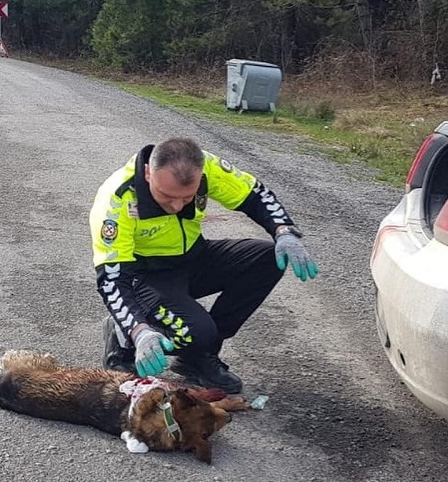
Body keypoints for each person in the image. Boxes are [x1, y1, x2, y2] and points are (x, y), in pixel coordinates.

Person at [88, 137, 319, 393]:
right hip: (146, 276)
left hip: (192, 257)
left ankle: (196, 358)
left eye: (187, 198)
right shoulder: (117, 200)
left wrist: (283, 231)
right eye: (166, 196)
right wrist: (137, 330)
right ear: (147, 173)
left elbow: (254, 194)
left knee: (267, 258)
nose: (176, 206)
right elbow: (111, 279)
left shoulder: (206, 167)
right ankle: (124, 339)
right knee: (199, 332)